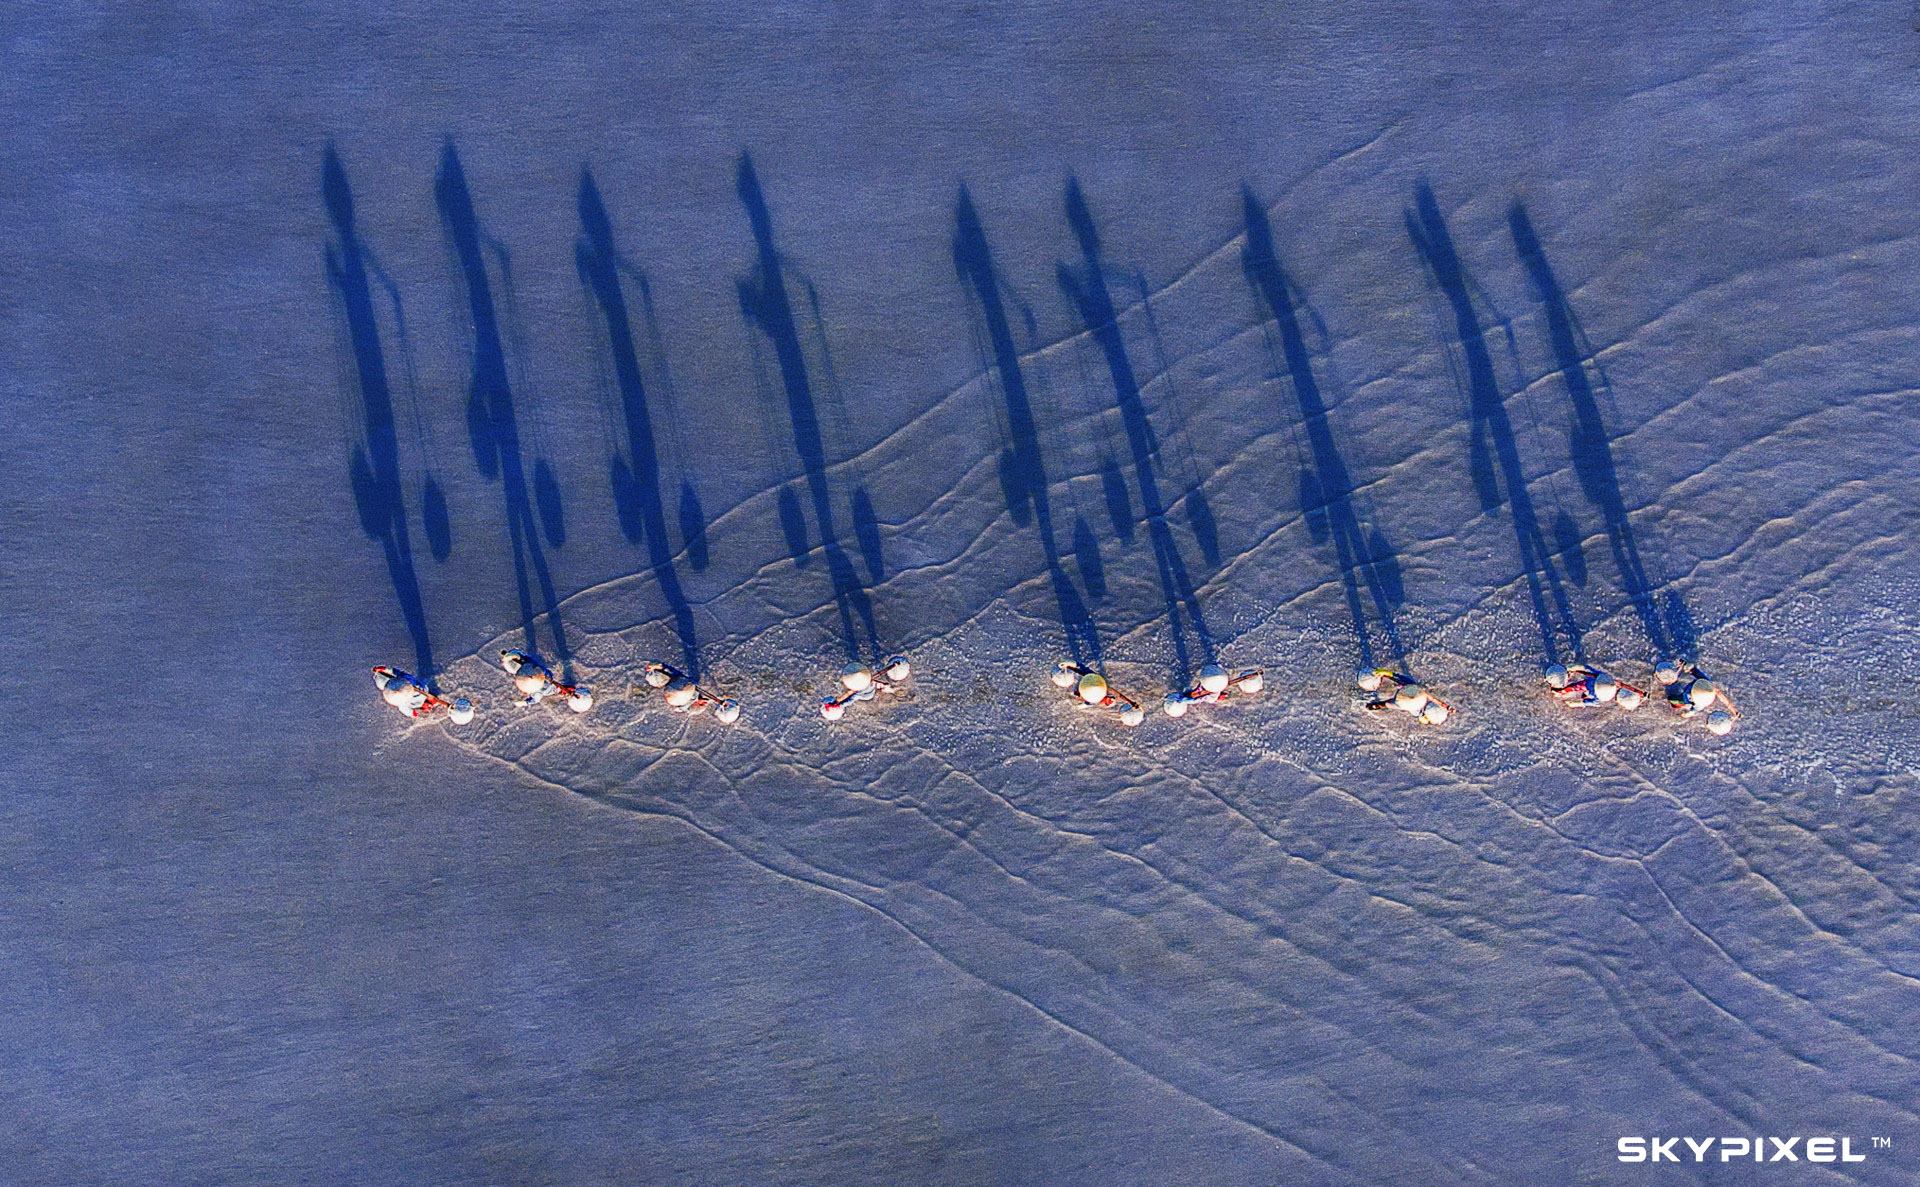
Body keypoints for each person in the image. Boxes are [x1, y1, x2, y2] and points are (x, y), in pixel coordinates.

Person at [640, 663, 741, 724]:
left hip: (680, 693)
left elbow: (673, 672)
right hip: (680, 694)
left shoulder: (683, 688)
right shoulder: (687, 697)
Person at [1052, 662, 1146, 727]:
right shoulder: (1094, 684)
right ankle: (1100, 700)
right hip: (1092, 690)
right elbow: (1118, 694)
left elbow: (1117, 694)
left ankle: (1097, 701)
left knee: (1088, 701)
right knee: (1087, 700)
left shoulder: (1094, 690)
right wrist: (1130, 702)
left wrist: (1069, 664)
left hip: (1092, 693)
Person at [1655, 659, 1736, 735]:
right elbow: (1695, 672)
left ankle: (1674, 702)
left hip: (1685, 698)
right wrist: (1688, 667)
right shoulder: (1705, 682)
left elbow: (1693, 711)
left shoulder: (1700, 704)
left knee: (1673, 700)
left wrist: (1687, 714)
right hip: (1687, 693)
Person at [821, 656, 911, 721]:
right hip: (867, 690)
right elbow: (849, 698)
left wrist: (840, 705)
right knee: (874, 682)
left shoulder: (857, 691)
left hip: (868, 693)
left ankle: (884, 687)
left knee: (874, 684)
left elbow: (850, 698)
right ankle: (883, 686)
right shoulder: (860, 687)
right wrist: (839, 704)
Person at [372, 666, 473, 724]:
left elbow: (408, 712)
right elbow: (398, 672)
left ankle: (426, 703)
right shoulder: (410, 686)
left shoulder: (405, 701)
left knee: (428, 699)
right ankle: (425, 705)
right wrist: (386, 669)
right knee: (427, 701)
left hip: (417, 696)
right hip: (417, 698)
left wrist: (413, 714)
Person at [501, 650, 593, 712]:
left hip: (551, 687)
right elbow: (529, 660)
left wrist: (524, 703)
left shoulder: (538, 692)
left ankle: (566, 692)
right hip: (551, 684)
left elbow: (534, 700)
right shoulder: (544, 674)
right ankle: (567, 692)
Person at [1164, 663, 1265, 718]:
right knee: (1210, 697)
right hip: (1209, 691)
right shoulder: (1201, 689)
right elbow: (1193, 698)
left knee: (1211, 696)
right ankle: (1218, 695)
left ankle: (1218, 694)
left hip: (1213, 688)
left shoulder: (1215, 679)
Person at [1358, 667, 1451, 725]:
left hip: (1406, 699)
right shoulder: (1415, 710)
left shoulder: (1412, 685)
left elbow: (1396, 677)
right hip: (1405, 703)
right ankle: (1368, 707)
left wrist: (1386, 673)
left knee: (1385, 703)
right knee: (1385, 704)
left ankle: (1367, 706)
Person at [1545, 664, 1643, 710]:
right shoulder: (1601, 699)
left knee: (1576, 687)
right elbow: (1586, 702)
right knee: (1577, 687)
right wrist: (1573, 703)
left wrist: (1573, 668)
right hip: (1586, 688)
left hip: (1585, 686)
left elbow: (1587, 669)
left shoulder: (1606, 680)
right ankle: (1558, 691)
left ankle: (1558, 691)